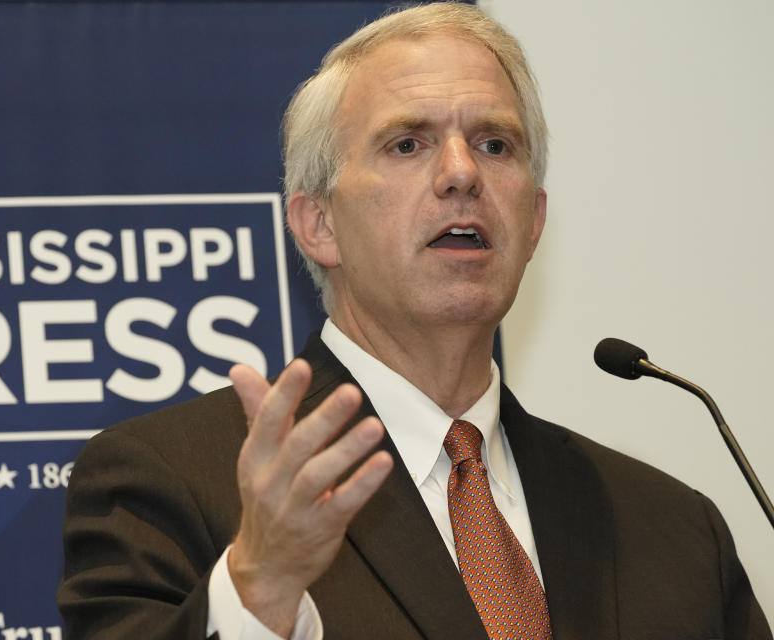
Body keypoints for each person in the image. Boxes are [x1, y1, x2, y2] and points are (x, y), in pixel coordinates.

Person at [57, 3, 772, 639]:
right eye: (408, 143)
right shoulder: (173, 481)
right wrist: (261, 590)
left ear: (534, 223)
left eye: (496, 144)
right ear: (318, 225)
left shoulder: (673, 528)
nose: (462, 173)